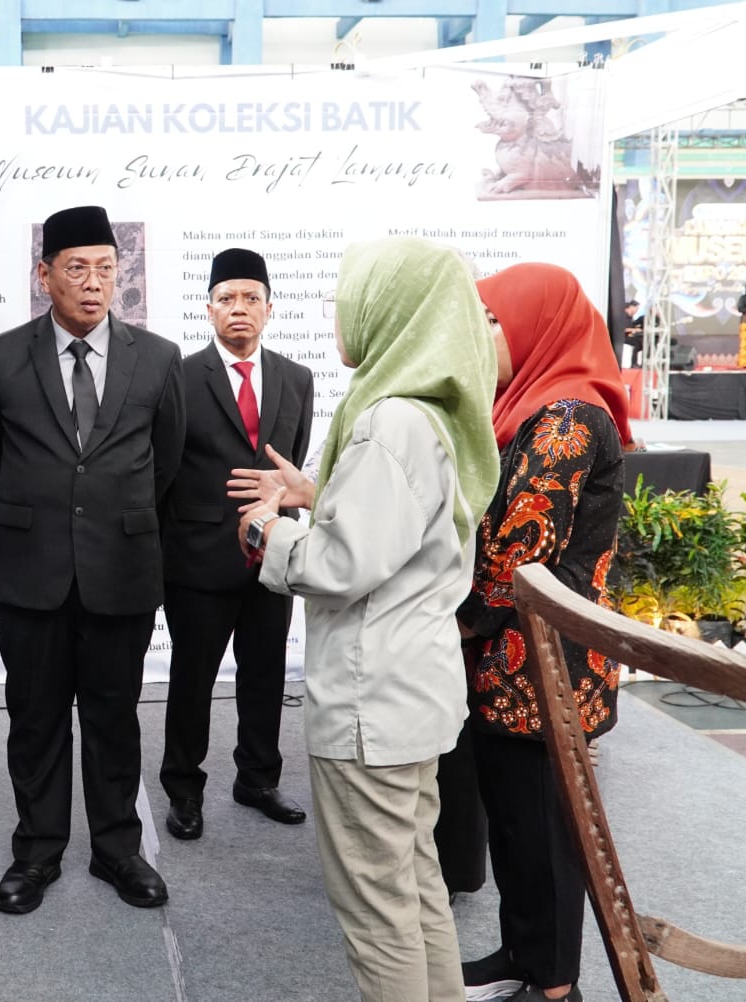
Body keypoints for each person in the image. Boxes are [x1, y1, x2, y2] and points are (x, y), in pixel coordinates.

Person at [233, 238, 500, 1002]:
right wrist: (323, 494)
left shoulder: (387, 423)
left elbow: (343, 566)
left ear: (392, 309)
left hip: (369, 706)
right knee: (415, 891)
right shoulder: (431, 412)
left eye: (351, 296)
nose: (339, 311)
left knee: (378, 916)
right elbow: (400, 532)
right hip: (412, 696)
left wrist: (265, 532)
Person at [0, 204, 185, 915]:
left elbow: (168, 465)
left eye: (105, 269)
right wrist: (40, 523)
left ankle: (119, 850)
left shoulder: (158, 359)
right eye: (76, 269)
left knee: (114, 715)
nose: (94, 283)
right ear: (44, 276)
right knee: (34, 716)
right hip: (30, 574)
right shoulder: (0, 358)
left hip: (121, 572)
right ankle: (36, 851)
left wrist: (111, 525)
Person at [440, 262, 629, 1002]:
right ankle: (523, 952)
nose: (483, 335)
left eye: (493, 320)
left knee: (546, 832)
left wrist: (447, 623)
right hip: (510, 659)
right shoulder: (525, 408)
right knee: (514, 821)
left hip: (545, 667)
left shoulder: (569, 419)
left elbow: (518, 552)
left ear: (535, 326)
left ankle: (555, 985)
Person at [158, 248, 314, 842]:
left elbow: (290, 465)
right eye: (227, 298)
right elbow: (163, 470)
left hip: (273, 556)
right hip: (198, 555)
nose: (239, 309)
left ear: (269, 309)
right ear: (209, 310)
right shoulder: (179, 377)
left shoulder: (297, 379)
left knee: (265, 673)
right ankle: (183, 787)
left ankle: (257, 778)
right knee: (192, 677)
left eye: (250, 297)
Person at [620, 300, 644, 369]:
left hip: (629, 336)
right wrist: (634, 330)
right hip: (622, 337)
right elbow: (622, 329)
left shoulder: (631, 318)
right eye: (636, 308)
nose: (637, 310)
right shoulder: (623, 316)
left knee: (642, 341)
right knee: (637, 342)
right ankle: (633, 363)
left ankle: (641, 363)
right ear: (631, 307)